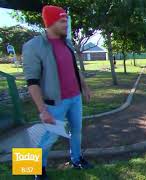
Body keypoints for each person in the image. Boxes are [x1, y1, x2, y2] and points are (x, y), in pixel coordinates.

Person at [22, 5, 93, 180]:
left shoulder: (66, 42)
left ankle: (76, 159)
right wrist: (42, 110)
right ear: (51, 22)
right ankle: (35, 170)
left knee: (76, 131)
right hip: (54, 103)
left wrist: (85, 87)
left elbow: (74, 68)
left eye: (66, 21)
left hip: (75, 98)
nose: (66, 25)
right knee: (48, 138)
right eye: (62, 21)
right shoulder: (33, 46)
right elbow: (32, 82)